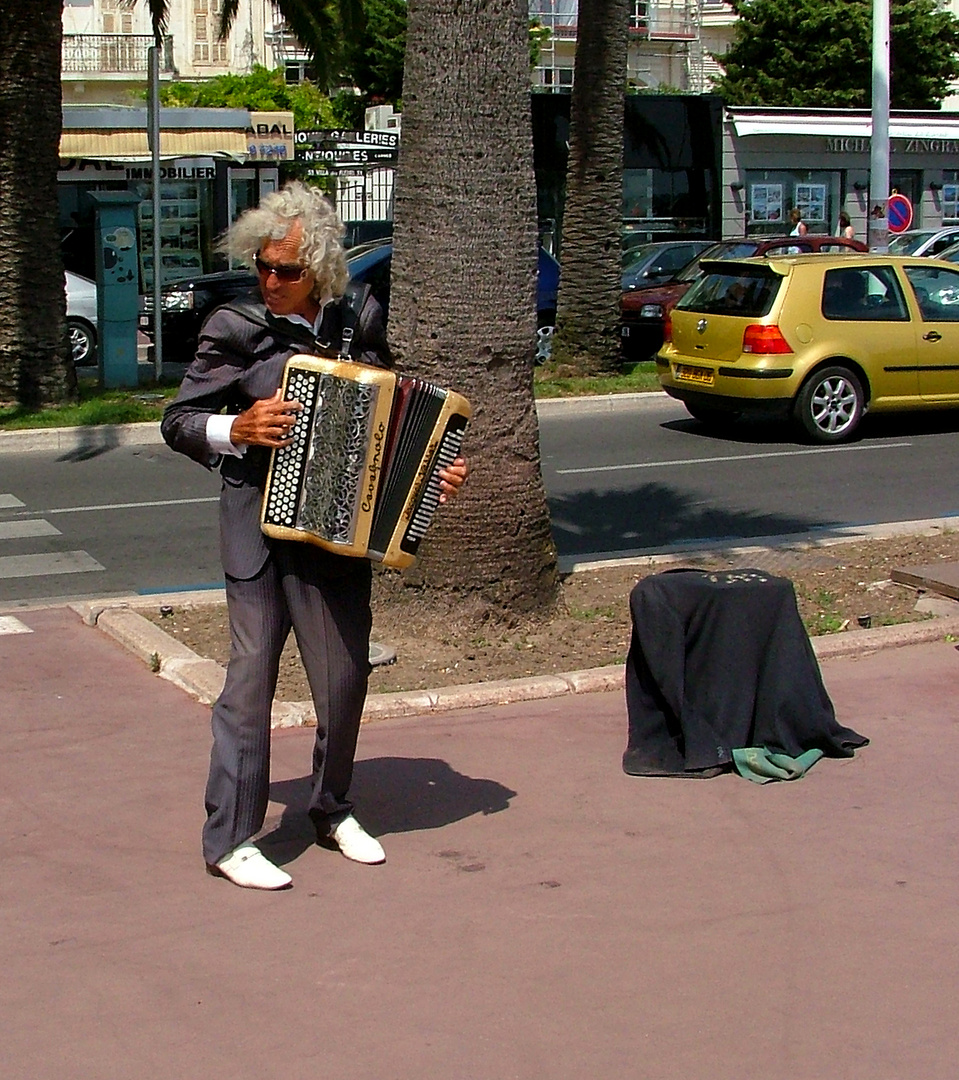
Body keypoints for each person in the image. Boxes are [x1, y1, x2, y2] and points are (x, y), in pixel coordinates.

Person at [162, 181, 469, 890]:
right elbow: (178, 421)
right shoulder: (234, 327)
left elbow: (392, 416)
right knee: (249, 682)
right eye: (263, 267)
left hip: (334, 534)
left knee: (342, 678)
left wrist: (430, 476)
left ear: (323, 269)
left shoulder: (359, 315)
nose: (270, 281)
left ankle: (330, 808)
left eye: (286, 271)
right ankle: (231, 838)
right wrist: (233, 428)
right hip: (258, 533)